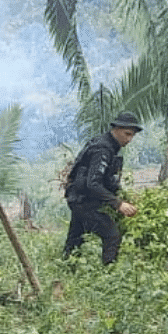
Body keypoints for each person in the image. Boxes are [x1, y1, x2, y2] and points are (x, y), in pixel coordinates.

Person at [62, 112, 142, 265]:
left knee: (75, 240)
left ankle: (66, 268)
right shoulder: (102, 149)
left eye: (132, 136)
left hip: (79, 198)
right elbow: (93, 183)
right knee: (112, 235)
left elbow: (107, 180)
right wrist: (118, 204)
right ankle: (109, 272)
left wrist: (124, 195)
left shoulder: (109, 146)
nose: (129, 139)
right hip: (84, 200)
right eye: (127, 134)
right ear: (116, 129)